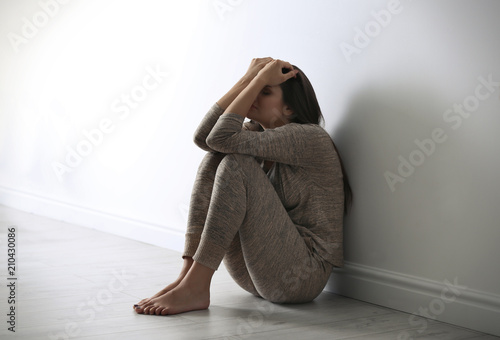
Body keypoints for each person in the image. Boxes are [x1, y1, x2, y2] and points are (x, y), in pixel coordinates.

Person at [133, 57, 352, 316]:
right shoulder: (257, 135)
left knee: (234, 161)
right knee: (215, 157)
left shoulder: (308, 137)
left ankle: (196, 285)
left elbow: (220, 136)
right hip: (256, 272)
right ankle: (189, 276)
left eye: (266, 92)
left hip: (301, 277)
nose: (254, 96)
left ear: (289, 108)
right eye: (256, 90)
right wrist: (248, 79)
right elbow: (204, 138)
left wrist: (257, 78)